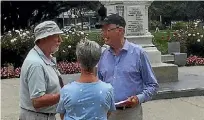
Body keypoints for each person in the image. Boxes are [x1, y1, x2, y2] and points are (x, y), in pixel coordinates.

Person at [97, 14, 159, 120]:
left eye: (107, 30)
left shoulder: (138, 53)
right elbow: (98, 84)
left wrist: (138, 98)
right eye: (103, 30)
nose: (103, 34)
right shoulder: (102, 55)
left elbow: (152, 85)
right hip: (107, 113)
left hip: (131, 113)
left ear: (120, 31)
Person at [56, 40, 116, 120]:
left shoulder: (66, 90)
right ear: (98, 60)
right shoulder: (108, 89)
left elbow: (62, 115)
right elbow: (107, 113)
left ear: (78, 60)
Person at [19, 21, 64, 120]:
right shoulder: (36, 64)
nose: (60, 40)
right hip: (37, 117)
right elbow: (37, 101)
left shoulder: (45, 58)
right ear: (44, 38)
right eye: (56, 36)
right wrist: (66, 94)